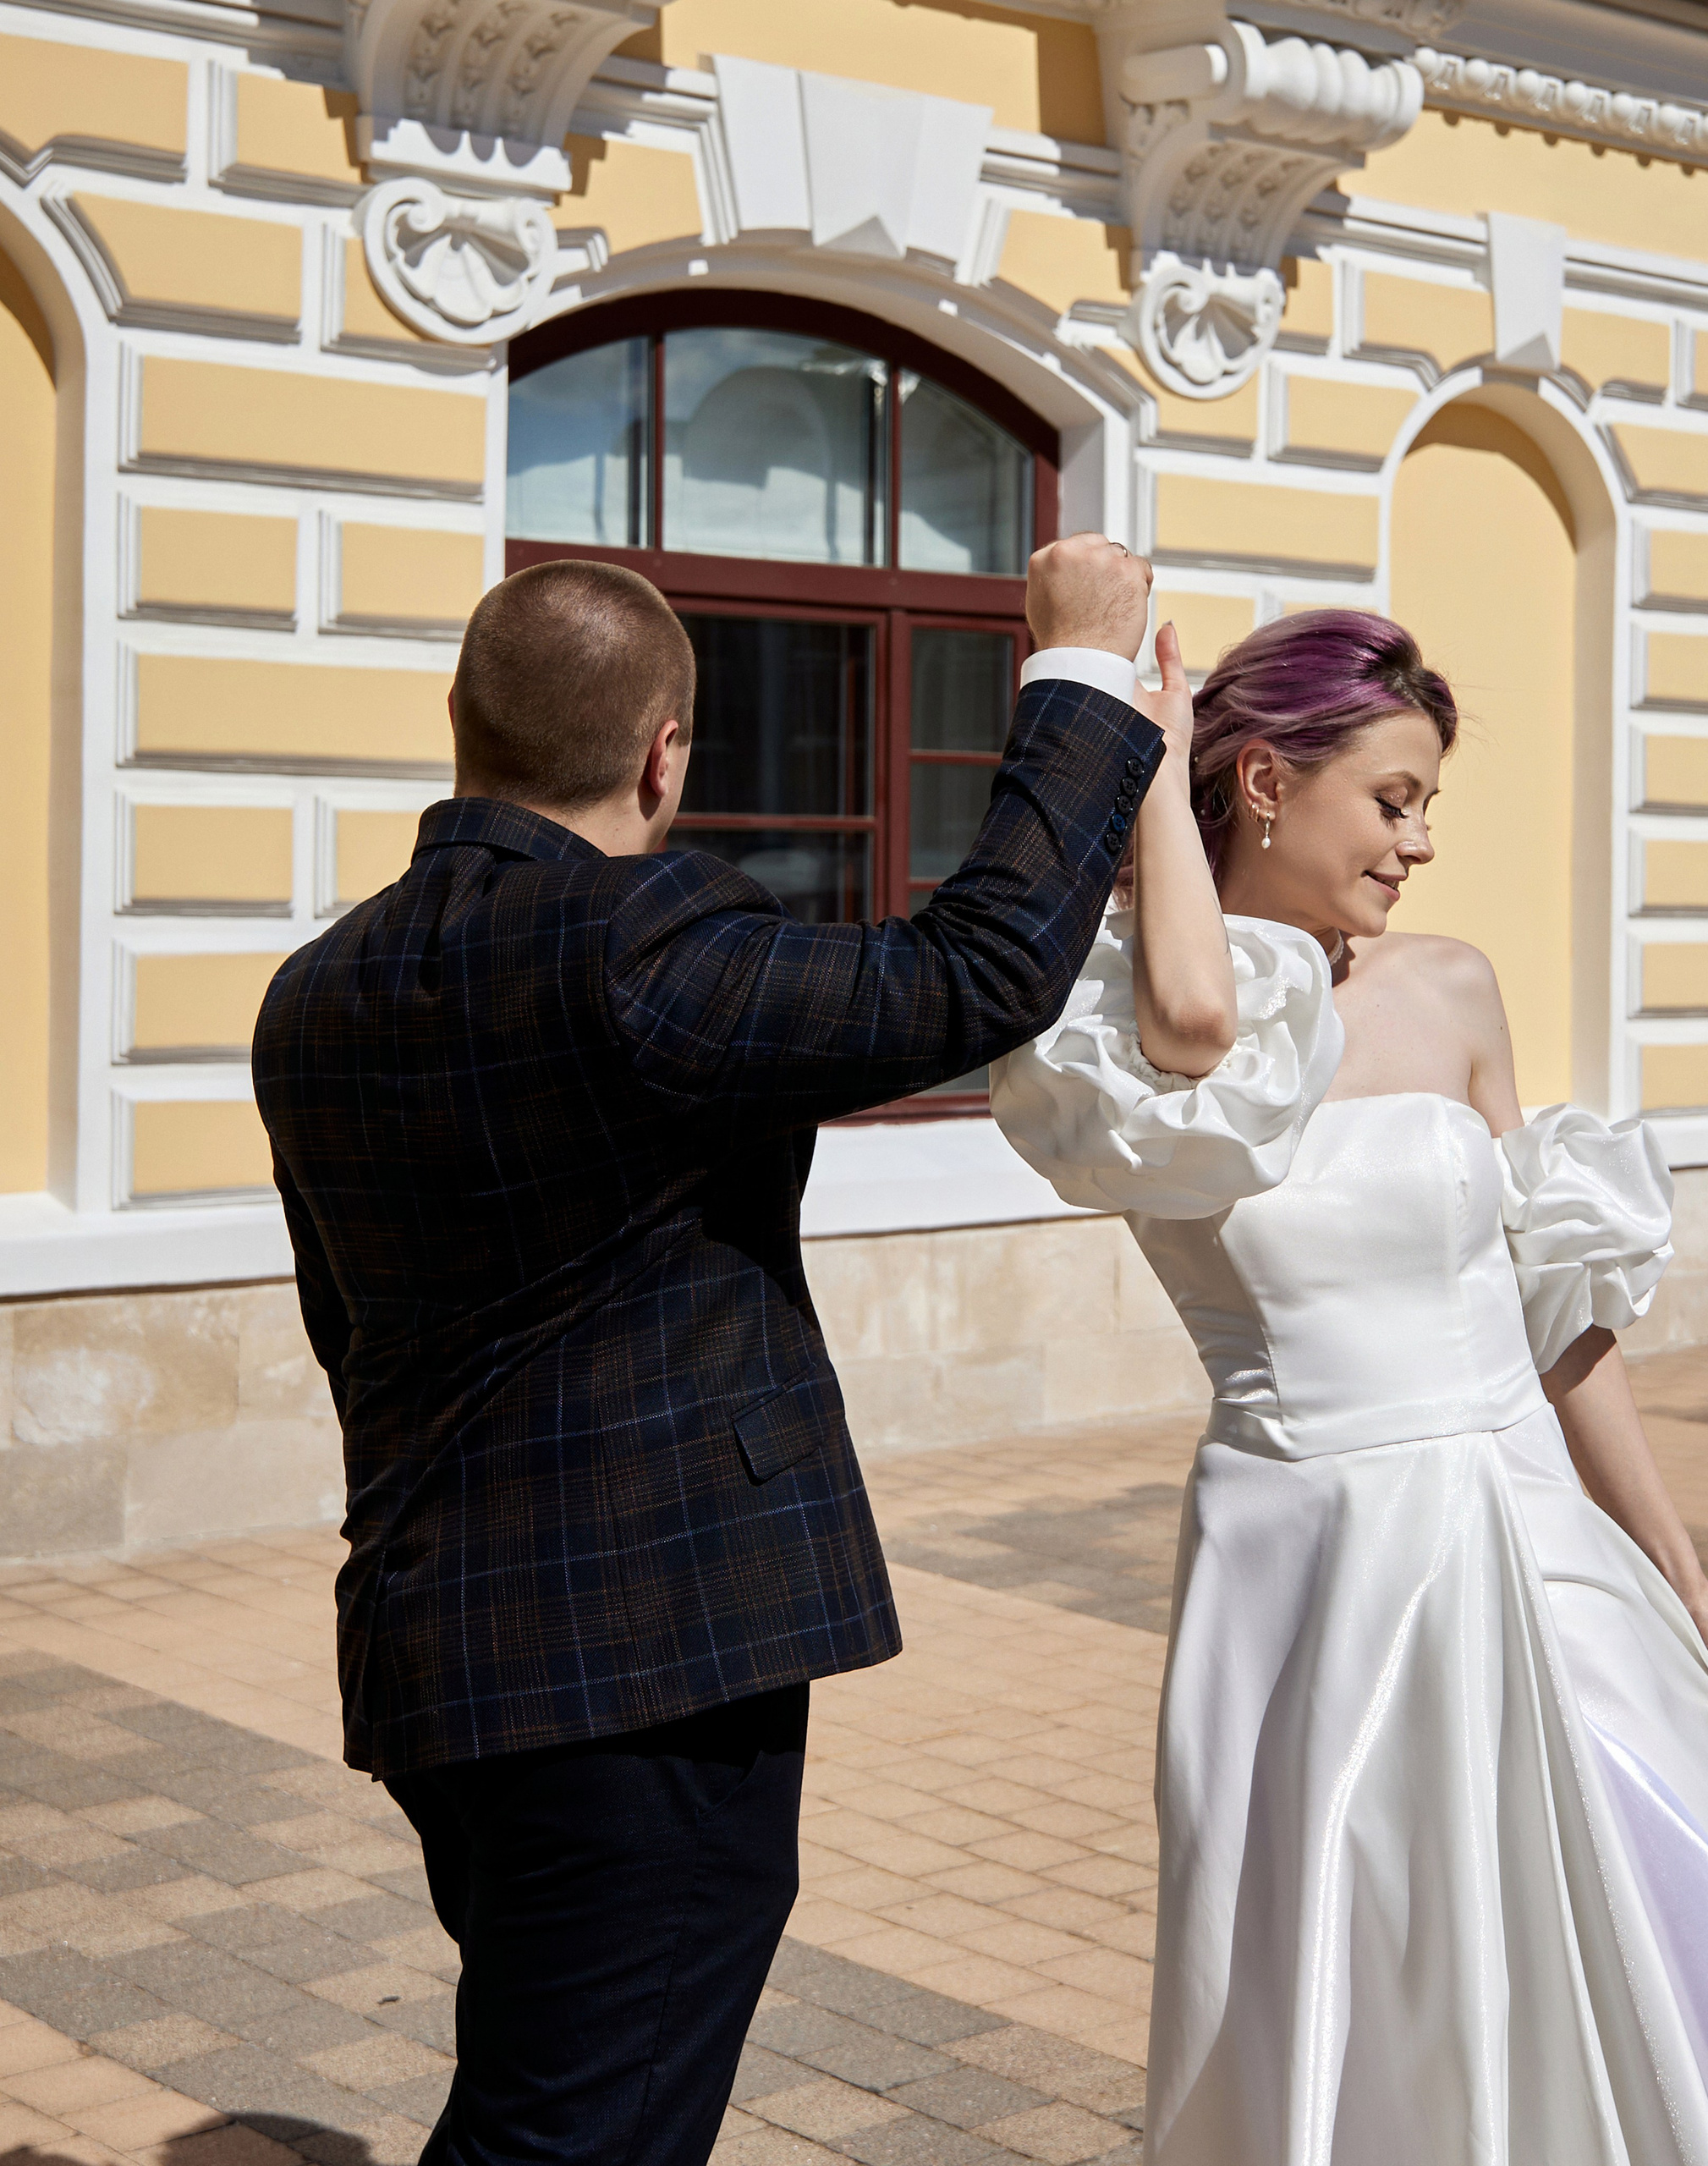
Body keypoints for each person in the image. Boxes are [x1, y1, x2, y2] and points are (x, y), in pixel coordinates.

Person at [251, 538, 1163, 2166]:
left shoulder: (314, 992)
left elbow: (346, 1327)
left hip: (431, 1649)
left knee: (560, 2065)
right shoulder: (635, 947)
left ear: (458, 721)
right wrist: (1084, 664)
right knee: (581, 2127)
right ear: (666, 753)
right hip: (641, 1670)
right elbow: (977, 972)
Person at [991, 609, 1708, 2165]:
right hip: (1319, 1577)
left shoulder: (1453, 989)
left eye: (1428, 802)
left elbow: (1558, 1321)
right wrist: (1145, 764)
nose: (1420, 843)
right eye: (1394, 798)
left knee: (1672, 1943)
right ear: (1263, 784)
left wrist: (1684, 1578)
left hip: (1534, 1543)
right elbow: (1197, 1017)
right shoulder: (1126, 1038)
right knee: (1373, 1991)